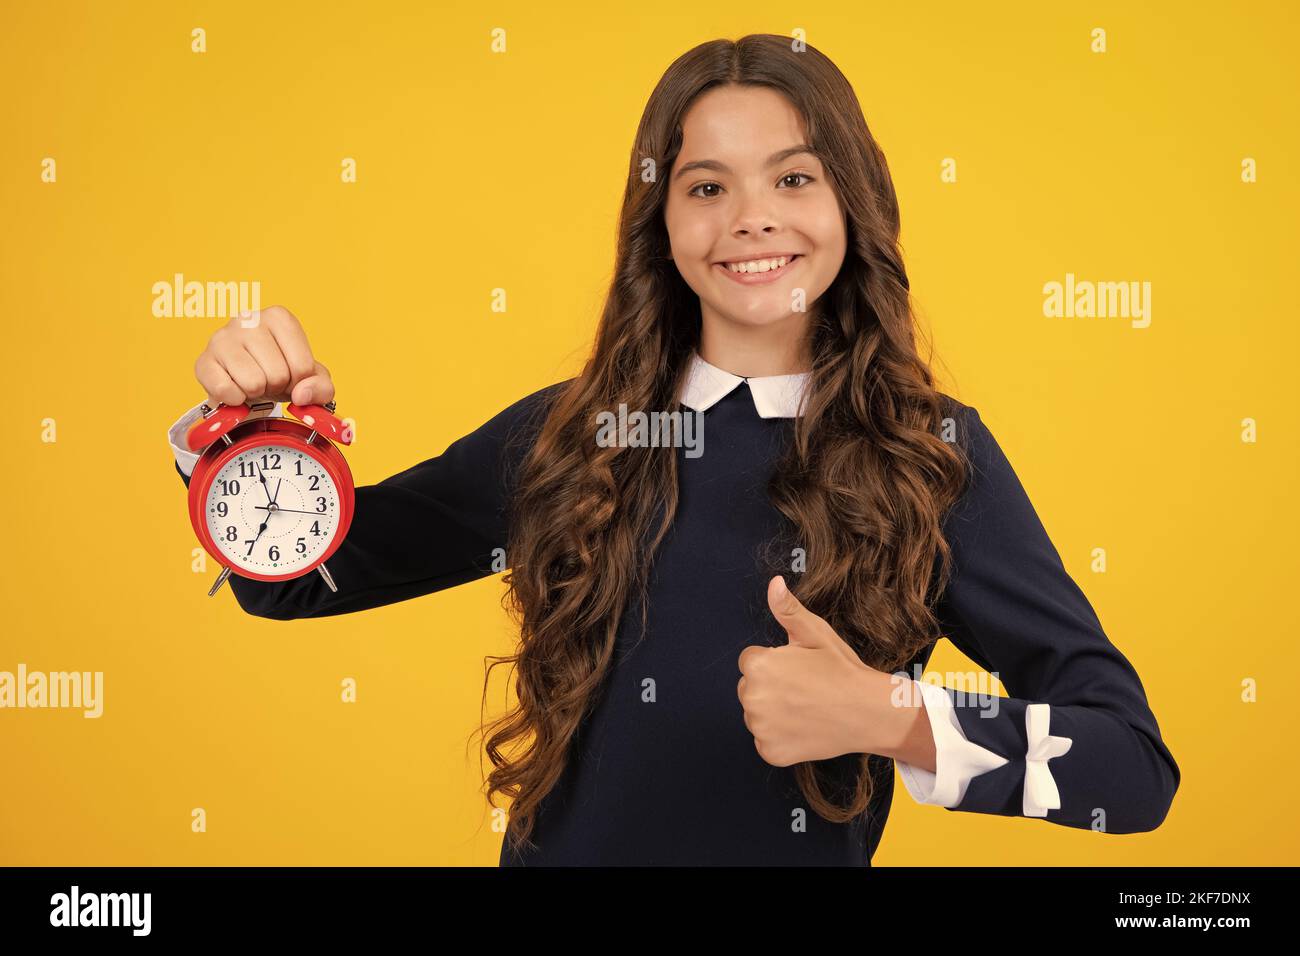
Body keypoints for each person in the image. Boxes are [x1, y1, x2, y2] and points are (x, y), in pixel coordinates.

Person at [168, 34, 1179, 866]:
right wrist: (257, 438)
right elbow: (295, 580)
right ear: (658, 218)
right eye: (706, 186)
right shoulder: (564, 435)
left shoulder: (930, 456)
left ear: (849, 203)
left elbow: (1129, 771)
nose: (751, 218)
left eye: (792, 176)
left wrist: (891, 713)